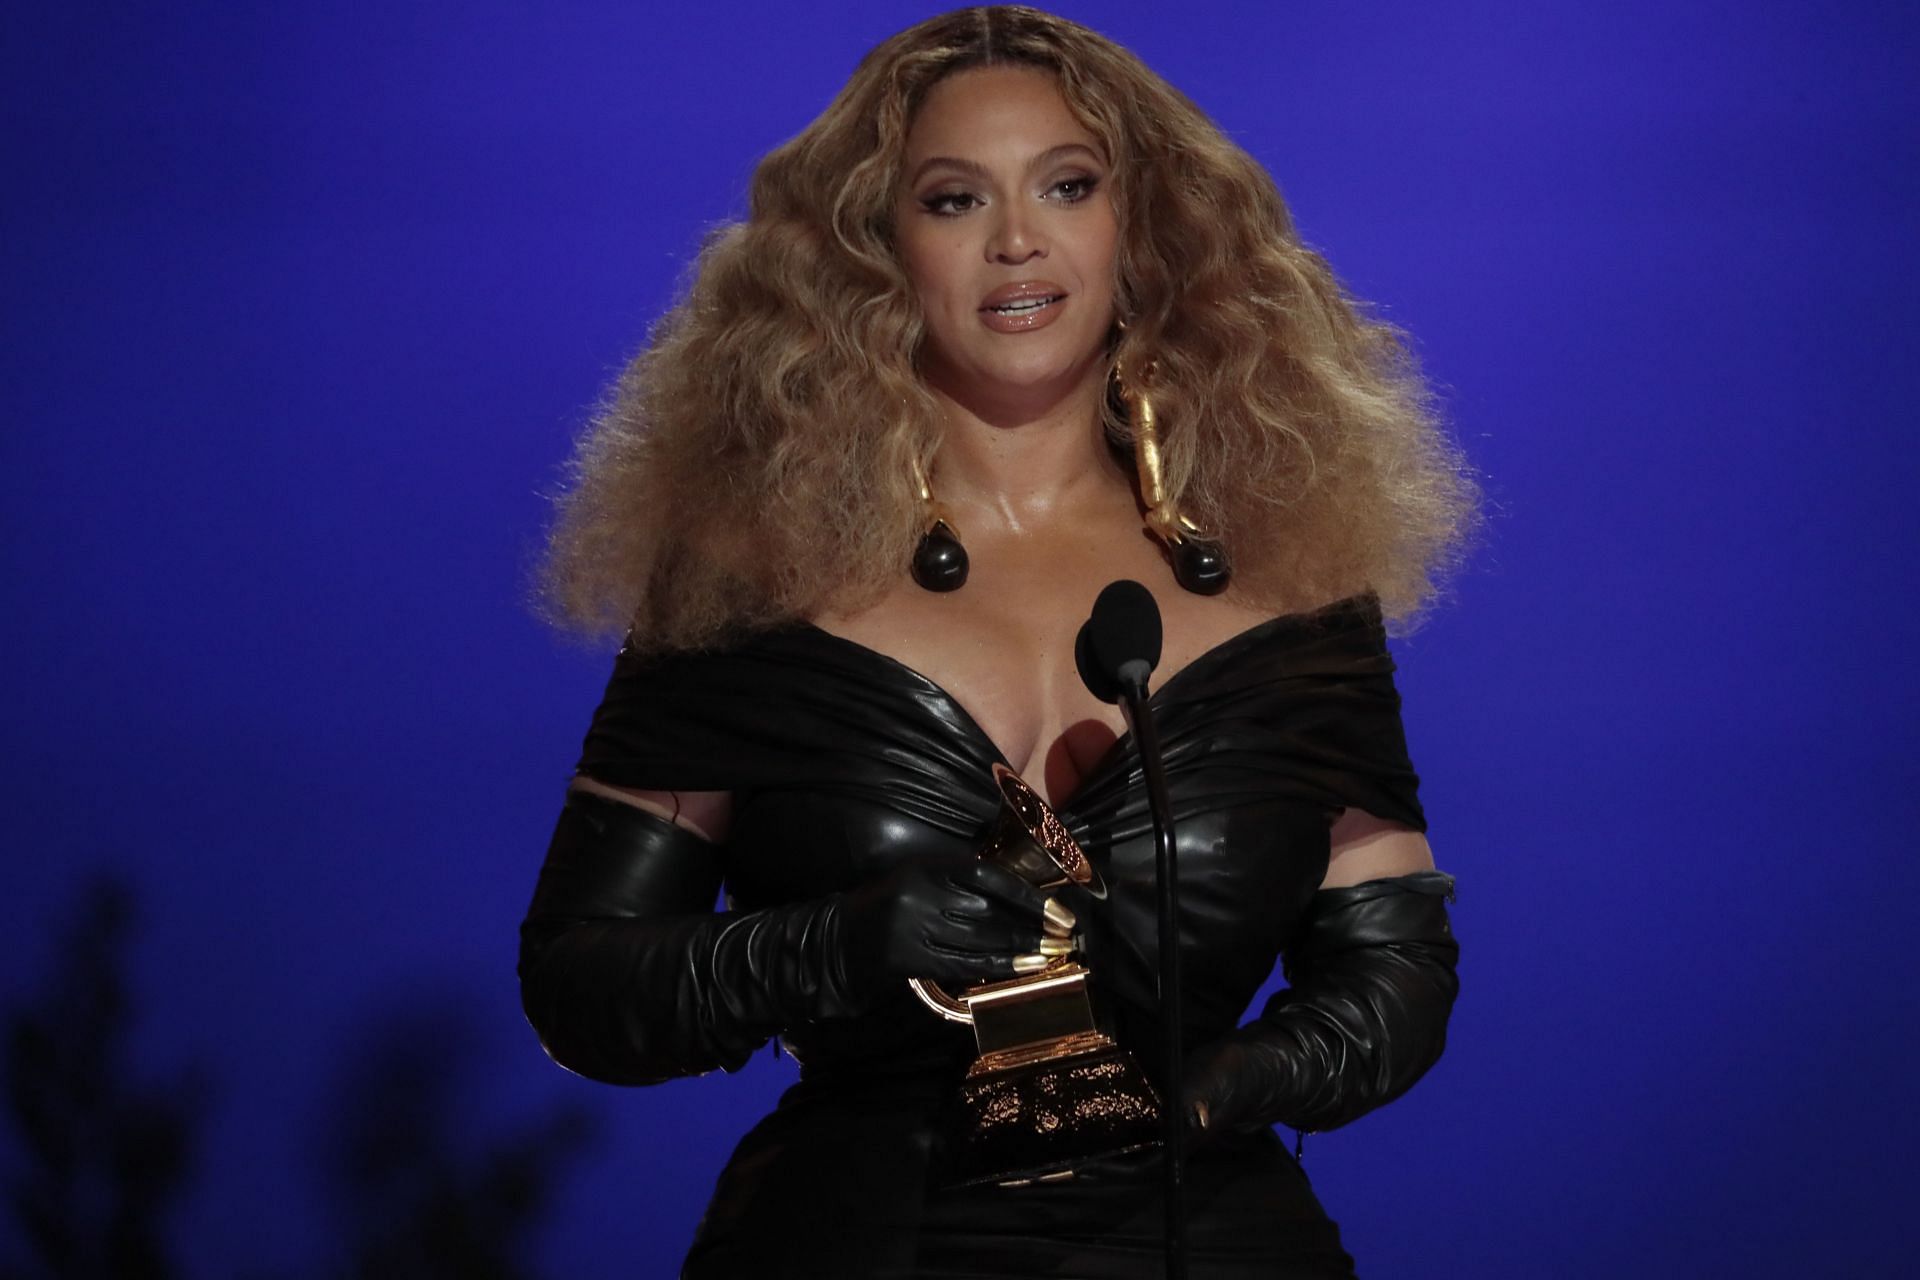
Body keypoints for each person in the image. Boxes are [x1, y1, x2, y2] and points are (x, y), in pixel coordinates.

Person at [519, 7, 1477, 1276]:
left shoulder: (1289, 577)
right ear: (877, 250)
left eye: (1067, 186)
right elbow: (584, 985)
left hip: (1214, 1235)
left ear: (1140, 227)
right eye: (955, 199)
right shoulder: (752, 581)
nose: (1019, 239)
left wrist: (1227, 1085)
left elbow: (1395, 963)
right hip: (859, 1239)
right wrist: (836, 943)